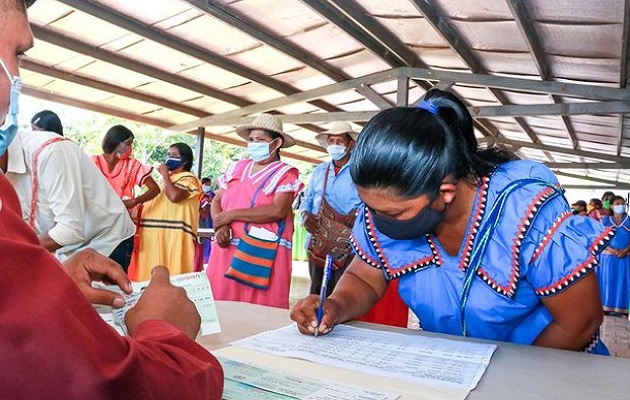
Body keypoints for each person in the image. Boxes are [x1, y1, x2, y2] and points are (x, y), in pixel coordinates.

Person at [0, 1, 223, 398]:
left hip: (114, 237)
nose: (17, 77)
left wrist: (38, 280)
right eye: (18, 55)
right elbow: (114, 384)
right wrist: (164, 329)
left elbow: (76, 224)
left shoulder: (59, 154)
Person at [291, 89, 613, 354]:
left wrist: (509, 382)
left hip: (545, 368)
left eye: (393, 214)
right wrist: (334, 305)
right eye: (370, 208)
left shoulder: (521, 210)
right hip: (454, 367)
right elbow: (364, 278)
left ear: (444, 192)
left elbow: (579, 321)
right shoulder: (390, 207)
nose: (376, 222)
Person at [4, 128, 136, 269]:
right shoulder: (6, 170)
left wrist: (14, 252)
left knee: (96, 291)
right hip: (69, 249)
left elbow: (70, 229)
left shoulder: (51, 151)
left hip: (107, 240)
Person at [207, 114, 302, 309]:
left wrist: (231, 215)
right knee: (221, 302)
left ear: (276, 143)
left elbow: (278, 210)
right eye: (251, 140)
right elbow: (216, 201)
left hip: (261, 252)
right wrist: (220, 225)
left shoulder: (285, 173)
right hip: (226, 247)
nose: (253, 144)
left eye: (260, 140)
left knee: (259, 306)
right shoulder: (236, 168)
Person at [300, 121, 361, 296]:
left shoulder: (360, 172)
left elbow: (372, 201)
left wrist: (359, 212)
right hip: (318, 238)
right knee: (316, 291)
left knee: (341, 294)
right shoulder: (320, 171)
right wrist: (305, 214)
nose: (334, 145)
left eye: (339, 141)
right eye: (331, 141)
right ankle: (315, 324)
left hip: (349, 242)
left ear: (351, 144)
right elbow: (308, 198)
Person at [92, 124, 160, 272]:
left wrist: (134, 201)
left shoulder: (132, 165)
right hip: (95, 230)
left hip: (122, 230)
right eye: (127, 143)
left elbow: (155, 189)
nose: (130, 148)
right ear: (115, 142)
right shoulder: (92, 162)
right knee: (93, 275)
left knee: (117, 276)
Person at [131, 142, 202, 281]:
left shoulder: (189, 179)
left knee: (171, 276)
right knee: (147, 278)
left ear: (185, 160)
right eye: (168, 155)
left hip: (173, 236)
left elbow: (174, 196)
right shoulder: (163, 180)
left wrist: (164, 174)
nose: (169, 158)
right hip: (152, 235)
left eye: (174, 155)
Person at [598, 195, 630, 314]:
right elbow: (600, 238)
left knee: (624, 282)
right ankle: (606, 307)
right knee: (608, 281)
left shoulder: (629, 220)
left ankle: (622, 308)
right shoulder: (605, 221)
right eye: (617, 204)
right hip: (608, 258)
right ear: (611, 206)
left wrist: (625, 250)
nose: (620, 206)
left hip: (625, 257)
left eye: (623, 204)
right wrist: (613, 250)